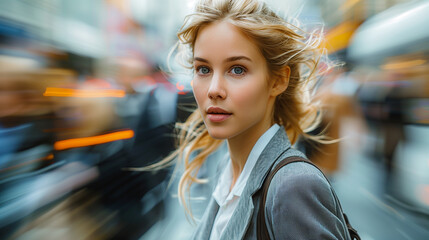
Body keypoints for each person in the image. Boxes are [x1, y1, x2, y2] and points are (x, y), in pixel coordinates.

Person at [147, 0, 352, 239]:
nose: (214, 89)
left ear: (278, 80)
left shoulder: (294, 186)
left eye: (237, 69)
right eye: (203, 69)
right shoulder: (228, 169)